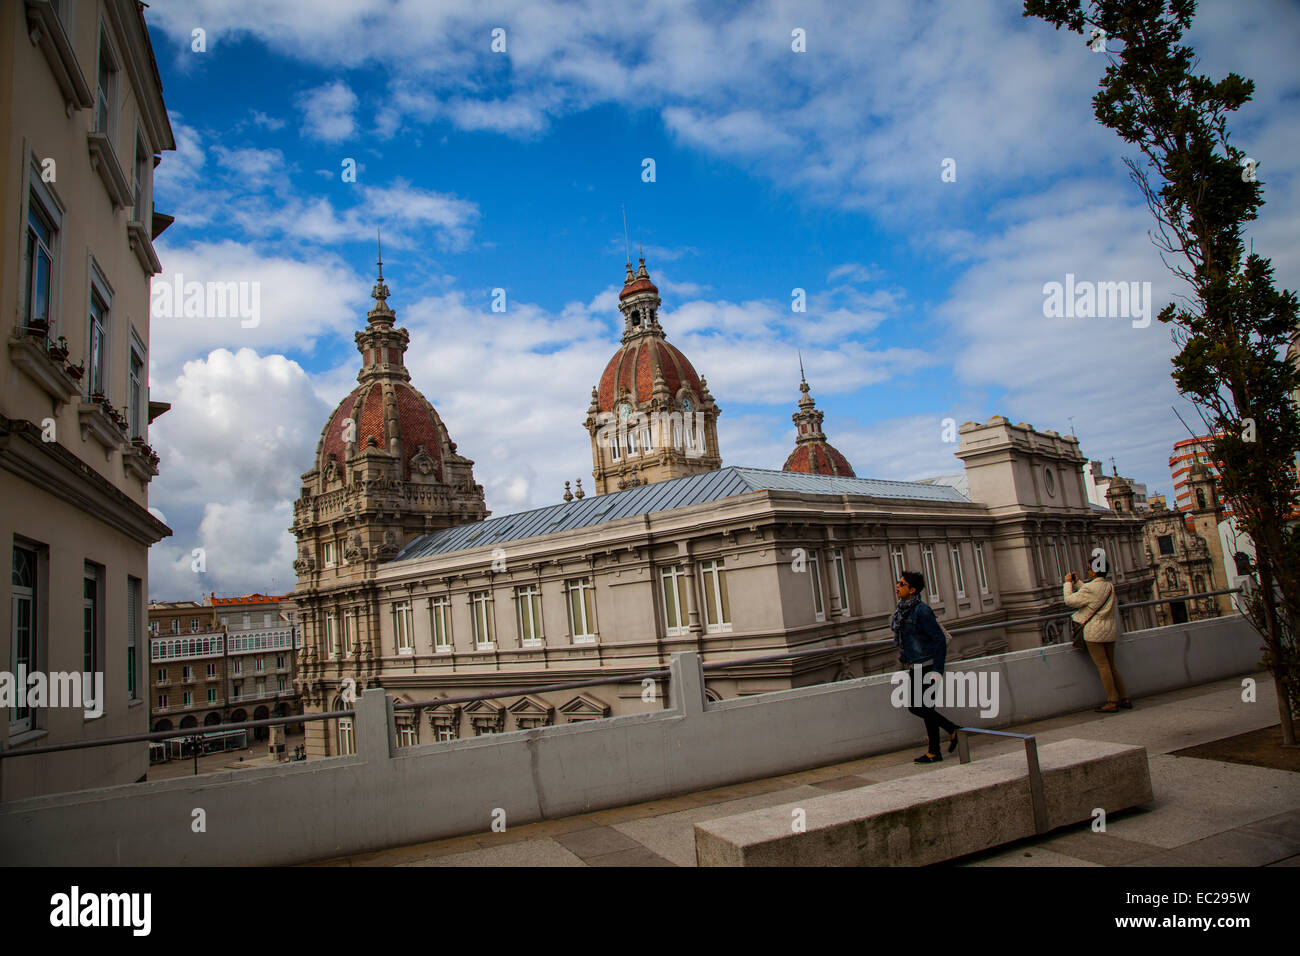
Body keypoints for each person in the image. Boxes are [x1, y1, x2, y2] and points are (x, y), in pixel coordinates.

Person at [891, 570, 959, 763]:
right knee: (923, 708)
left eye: (902, 584)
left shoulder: (922, 611)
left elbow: (938, 639)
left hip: (927, 665)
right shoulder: (902, 611)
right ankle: (935, 750)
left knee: (918, 706)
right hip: (916, 665)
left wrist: (938, 670)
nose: (898, 586)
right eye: (898, 582)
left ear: (912, 590)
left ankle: (952, 731)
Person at [1064, 564, 1131, 713]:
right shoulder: (1109, 586)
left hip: (1094, 632)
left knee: (1103, 666)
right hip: (1110, 630)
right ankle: (1125, 698)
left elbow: (1070, 600)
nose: (1088, 570)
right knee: (1112, 666)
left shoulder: (1091, 589)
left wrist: (1068, 583)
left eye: (1089, 568)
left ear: (1094, 571)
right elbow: (1093, 593)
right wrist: (1078, 582)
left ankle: (1112, 700)